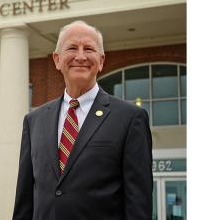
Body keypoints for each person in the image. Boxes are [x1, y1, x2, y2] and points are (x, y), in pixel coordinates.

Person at [12, 20, 153, 220]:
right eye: (72, 48)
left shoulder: (130, 118)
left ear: (101, 60)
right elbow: (24, 199)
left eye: (88, 48)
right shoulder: (34, 121)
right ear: (57, 59)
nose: (80, 56)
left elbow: (138, 202)